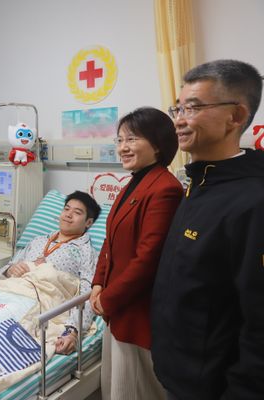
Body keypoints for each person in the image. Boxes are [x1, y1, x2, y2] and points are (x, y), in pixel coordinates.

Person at [151, 60, 264, 399]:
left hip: (215, 387)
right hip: (180, 374)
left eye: (193, 108)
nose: (179, 120)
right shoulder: (200, 183)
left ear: (236, 116)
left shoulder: (253, 201)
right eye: (178, 108)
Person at [90, 107, 183, 400]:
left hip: (137, 312)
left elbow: (148, 259)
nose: (123, 147)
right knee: (114, 388)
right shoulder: (133, 183)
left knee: (133, 390)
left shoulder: (165, 188)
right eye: (119, 140)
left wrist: (108, 298)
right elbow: (109, 241)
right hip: (116, 307)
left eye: (132, 139)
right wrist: (97, 283)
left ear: (158, 143)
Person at [0, 190, 101, 355]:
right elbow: (7, 268)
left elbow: (87, 293)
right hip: (11, 292)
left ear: (88, 222)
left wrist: (73, 330)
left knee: (6, 329)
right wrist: (11, 269)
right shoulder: (38, 241)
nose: (68, 215)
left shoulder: (86, 252)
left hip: (42, 302)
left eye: (77, 212)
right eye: (66, 209)